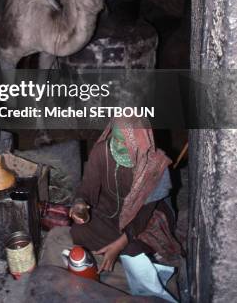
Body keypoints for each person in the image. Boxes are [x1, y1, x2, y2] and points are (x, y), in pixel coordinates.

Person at [39, 117, 182, 272]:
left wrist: (119, 244)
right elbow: (86, 187)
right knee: (78, 231)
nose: (116, 145)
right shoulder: (102, 151)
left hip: (141, 220)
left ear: (139, 142)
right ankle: (116, 256)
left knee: (132, 252)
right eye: (115, 138)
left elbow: (144, 215)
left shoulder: (154, 167)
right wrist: (80, 203)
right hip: (107, 210)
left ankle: (126, 256)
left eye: (123, 142)